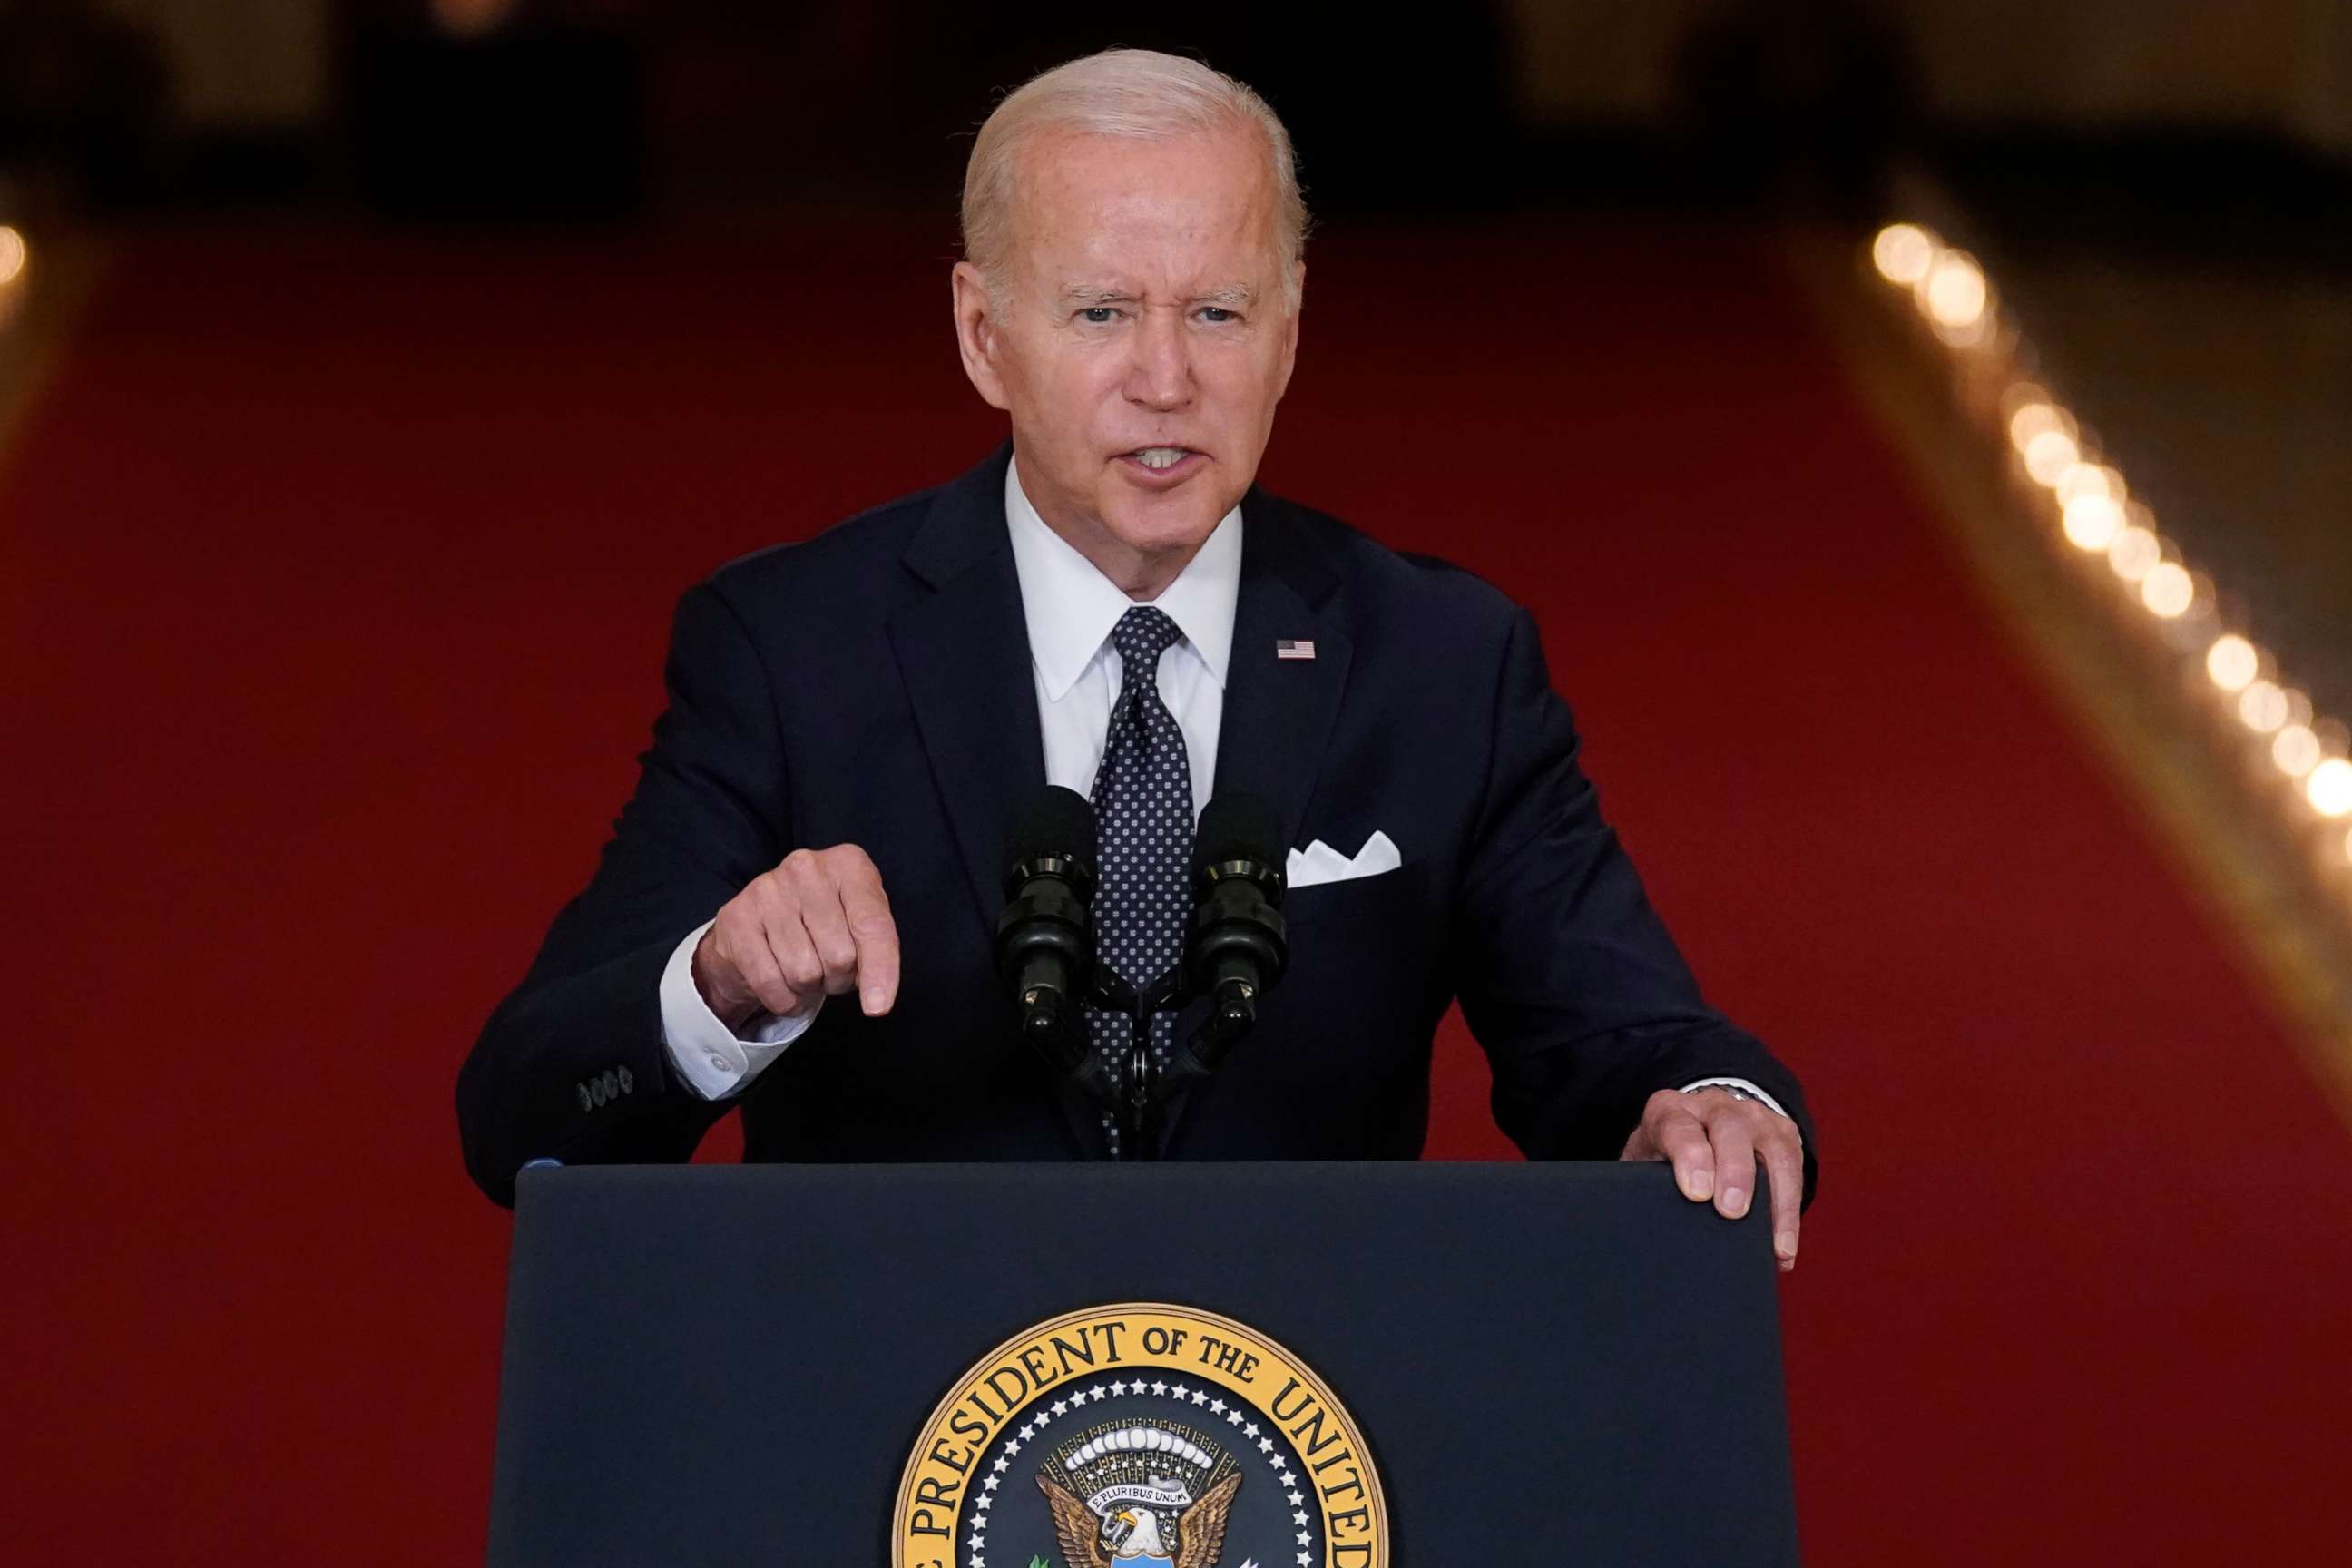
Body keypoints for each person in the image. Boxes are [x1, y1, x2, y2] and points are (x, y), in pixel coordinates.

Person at [456, 48, 1818, 1266]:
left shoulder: (1442, 657)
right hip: (901, 1413)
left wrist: (1713, 1107)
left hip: (1308, 1417)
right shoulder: (794, 648)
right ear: (985, 337)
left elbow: (1623, 1045)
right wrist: (718, 985)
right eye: (1102, 313)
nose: (1166, 379)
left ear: (1290, 329)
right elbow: (523, 1113)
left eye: (1217, 314)